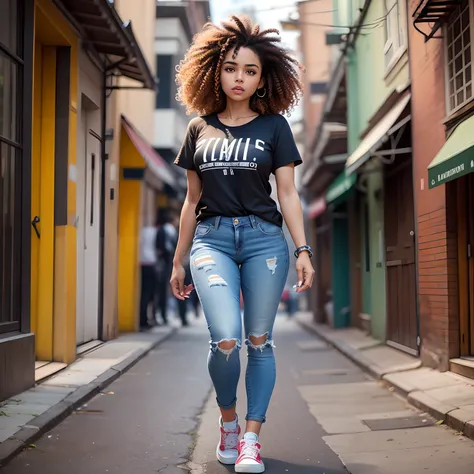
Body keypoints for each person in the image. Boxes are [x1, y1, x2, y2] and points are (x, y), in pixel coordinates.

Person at [170, 15, 314, 474]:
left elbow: (287, 194)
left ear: (262, 77)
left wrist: (302, 248)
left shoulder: (274, 127)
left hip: (264, 241)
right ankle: (228, 421)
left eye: (250, 71)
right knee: (226, 339)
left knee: (260, 340)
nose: (240, 78)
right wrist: (178, 261)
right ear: (215, 71)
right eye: (232, 68)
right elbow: (192, 199)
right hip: (211, 240)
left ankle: (250, 438)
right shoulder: (198, 128)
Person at [155, 209, 177, 325]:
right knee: (165, 289)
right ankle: (164, 315)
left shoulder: (161, 229)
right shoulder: (171, 230)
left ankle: (161, 314)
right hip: (168, 262)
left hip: (161, 262)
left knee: (161, 290)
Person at [139, 222, 158, 331]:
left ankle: (143, 319)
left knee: (144, 294)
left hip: (142, 264)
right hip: (151, 264)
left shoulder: (143, 231)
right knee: (149, 294)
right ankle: (146, 319)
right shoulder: (155, 232)